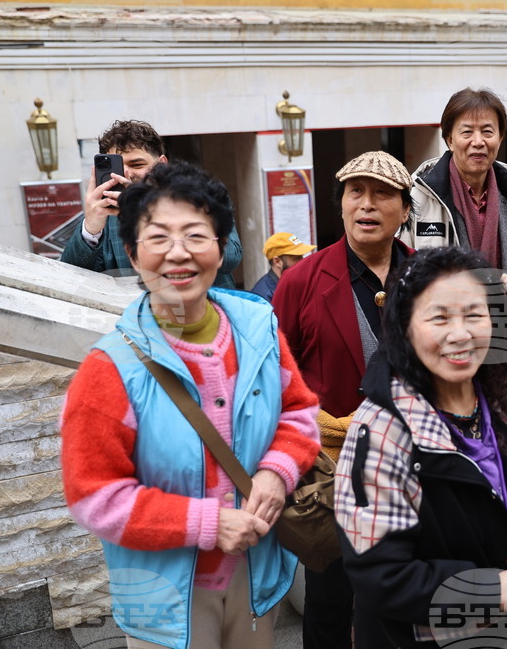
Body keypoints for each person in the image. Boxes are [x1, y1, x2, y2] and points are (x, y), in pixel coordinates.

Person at [60, 161, 321, 649]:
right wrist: (206, 523)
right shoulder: (109, 369)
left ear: (221, 249)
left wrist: (276, 473)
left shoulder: (258, 327)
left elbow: (299, 413)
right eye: (158, 238)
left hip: (254, 578)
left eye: (196, 235)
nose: (178, 254)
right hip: (162, 596)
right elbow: (93, 495)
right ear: (134, 256)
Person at [334, 246, 507, 649]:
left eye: (475, 315)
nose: (460, 334)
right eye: (439, 317)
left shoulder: (502, 394)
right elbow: (380, 575)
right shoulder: (382, 429)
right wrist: (497, 590)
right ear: (405, 327)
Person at [272, 151, 414, 649]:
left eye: (383, 194)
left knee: (401, 596)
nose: (367, 205)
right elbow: (275, 379)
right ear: (341, 205)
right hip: (332, 474)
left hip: (411, 469)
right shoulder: (301, 281)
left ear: (404, 209)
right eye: (357, 192)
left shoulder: (427, 278)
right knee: (329, 601)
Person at [61, 120, 243, 287]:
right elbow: (71, 275)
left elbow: (231, 257)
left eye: (137, 164)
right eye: (118, 167)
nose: (127, 174)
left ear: (161, 164)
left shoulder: (201, 196)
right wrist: (91, 228)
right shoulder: (105, 213)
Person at [403, 87, 507, 272]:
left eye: (487, 131)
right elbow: (401, 261)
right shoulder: (420, 196)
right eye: (467, 132)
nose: (478, 141)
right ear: (450, 140)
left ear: (500, 138)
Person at [249, 232, 315, 302]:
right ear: (277, 261)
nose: (302, 261)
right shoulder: (264, 296)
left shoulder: (294, 283)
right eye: (296, 258)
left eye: (302, 256)